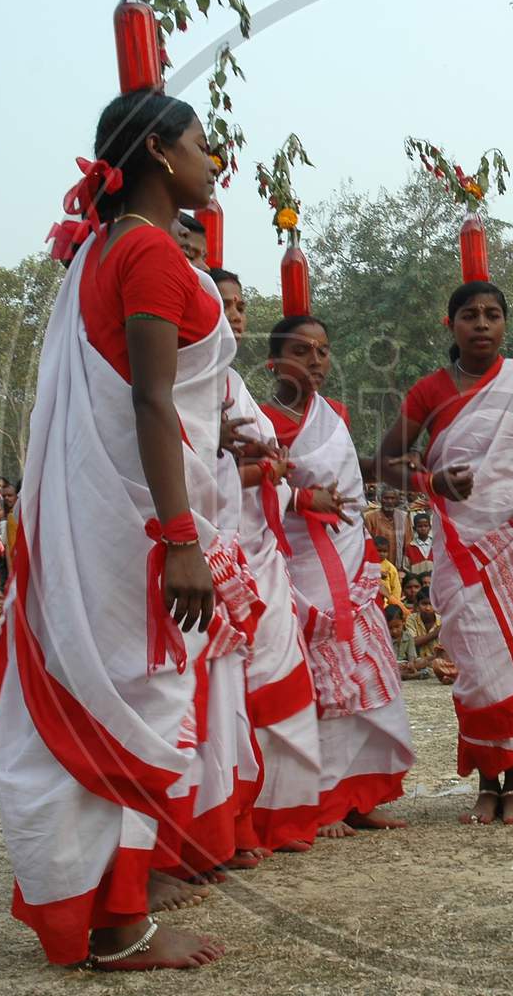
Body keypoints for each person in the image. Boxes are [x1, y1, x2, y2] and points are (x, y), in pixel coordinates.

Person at [0, 90, 253, 970]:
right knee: (135, 698)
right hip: (135, 520)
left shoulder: (101, 249)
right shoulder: (141, 252)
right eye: (202, 146)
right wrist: (180, 536)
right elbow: (146, 397)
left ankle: (110, 907)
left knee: (121, 697)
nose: (213, 162)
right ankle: (117, 927)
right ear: (157, 155)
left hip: (112, 512)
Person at [376, 281, 513, 827]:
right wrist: (432, 479)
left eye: (492, 315)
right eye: (469, 315)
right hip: (461, 547)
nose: (481, 324)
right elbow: (386, 460)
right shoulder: (429, 391)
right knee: (481, 663)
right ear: (451, 324)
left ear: (505, 324)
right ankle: (487, 781)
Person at [259, 314, 415, 839]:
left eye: (323, 352)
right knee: (321, 683)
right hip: (302, 566)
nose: (316, 362)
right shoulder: (261, 422)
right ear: (273, 362)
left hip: (352, 559)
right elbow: (243, 491)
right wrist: (303, 498)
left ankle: (360, 796)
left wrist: (402, 469)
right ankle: (321, 801)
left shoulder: (336, 414)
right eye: (302, 352)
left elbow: (353, 474)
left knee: (366, 675)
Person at [210, 273, 323, 859]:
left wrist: (264, 466)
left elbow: (263, 464)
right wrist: (244, 463)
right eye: (220, 303)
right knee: (230, 698)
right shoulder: (186, 379)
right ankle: (233, 828)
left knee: (283, 685)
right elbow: (192, 471)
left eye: (239, 305)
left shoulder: (233, 384)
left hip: (262, 556)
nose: (233, 314)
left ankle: (282, 818)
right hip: (217, 556)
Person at [363, 488, 411, 572]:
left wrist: (403, 568)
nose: (389, 501)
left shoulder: (403, 517)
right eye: (386, 498)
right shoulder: (370, 517)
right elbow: (368, 543)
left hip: (399, 568)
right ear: (380, 499)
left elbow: (407, 544)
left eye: (392, 498)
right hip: (377, 567)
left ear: (397, 500)